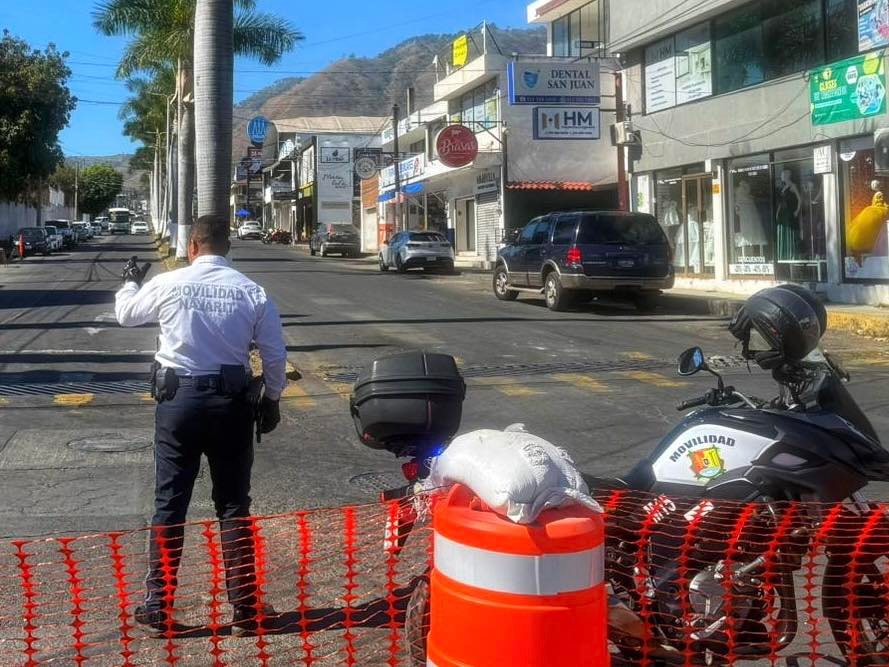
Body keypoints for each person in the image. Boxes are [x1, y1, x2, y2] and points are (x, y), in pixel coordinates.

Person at [115, 214, 287, 635]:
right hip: (232, 405)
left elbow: (126, 315)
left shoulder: (170, 283)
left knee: (170, 502)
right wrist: (273, 398)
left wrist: (130, 281)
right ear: (228, 248)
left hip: (179, 403)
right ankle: (244, 609)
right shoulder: (252, 291)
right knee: (232, 504)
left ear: (193, 246)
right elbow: (275, 354)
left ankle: (158, 604)